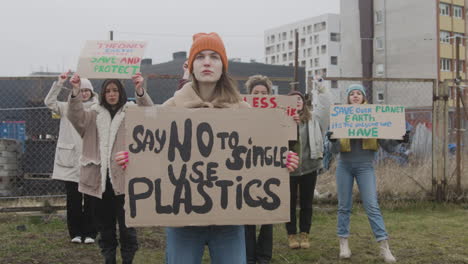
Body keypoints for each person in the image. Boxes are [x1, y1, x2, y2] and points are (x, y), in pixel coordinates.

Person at [116, 32, 299, 264]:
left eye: (214, 56)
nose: (207, 62)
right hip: (182, 221)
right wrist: (132, 160)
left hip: (229, 223)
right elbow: (153, 152)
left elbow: (259, 157)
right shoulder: (171, 108)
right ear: (191, 65)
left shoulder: (243, 111)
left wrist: (282, 162)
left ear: (223, 65)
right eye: (200, 56)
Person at [67, 73, 153, 264]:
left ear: (121, 93)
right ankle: (109, 259)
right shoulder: (92, 115)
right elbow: (74, 115)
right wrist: (74, 90)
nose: (111, 94)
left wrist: (139, 90)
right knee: (105, 227)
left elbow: (150, 115)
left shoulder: (131, 112)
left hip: (126, 180)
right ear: (103, 93)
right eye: (107, 91)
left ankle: (128, 260)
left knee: (127, 227)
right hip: (99, 181)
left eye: (115, 90)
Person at [326, 84, 409, 263]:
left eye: (359, 93)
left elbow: (387, 146)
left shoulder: (374, 117)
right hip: (344, 166)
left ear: (364, 97)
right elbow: (333, 150)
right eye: (352, 94)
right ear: (348, 98)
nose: (355, 96)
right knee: (344, 206)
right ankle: (343, 243)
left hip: (365, 166)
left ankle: (384, 247)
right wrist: (332, 139)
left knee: (372, 205)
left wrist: (398, 139)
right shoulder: (339, 117)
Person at [44, 71, 98, 244]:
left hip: (91, 158)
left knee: (91, 198)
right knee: (73, 198)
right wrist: (59, 83)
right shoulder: (66, 107)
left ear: (91, 92)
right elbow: (49, 102)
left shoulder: (98, 108)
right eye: (81, 90)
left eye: (86, 91)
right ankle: (75, 232)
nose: (84, 93)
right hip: (71, 159)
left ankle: (90, 232)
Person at [286, 85, 331, 249]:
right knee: (289, 204)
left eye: (299, 99)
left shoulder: (313, 119)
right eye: (292, 99)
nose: (296, 102)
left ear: (304, 102)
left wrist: (322, 90)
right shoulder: (281, 119)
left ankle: (304, 234)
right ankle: (291, 235)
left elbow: (325, 110)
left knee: (306, 203)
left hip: (309, 168)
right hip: (288, 170)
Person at [243, 75, 274, 264]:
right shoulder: (240, 114)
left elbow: (290, 143)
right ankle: (248, 256)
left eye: (264, 93)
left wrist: (292, 124)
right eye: (256, 93)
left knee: (268, 215)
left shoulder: (278, 115)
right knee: (247, 215)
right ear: (249, 95)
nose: (260, 96)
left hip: (269, 170)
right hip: (246, 170)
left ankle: (263, 256)